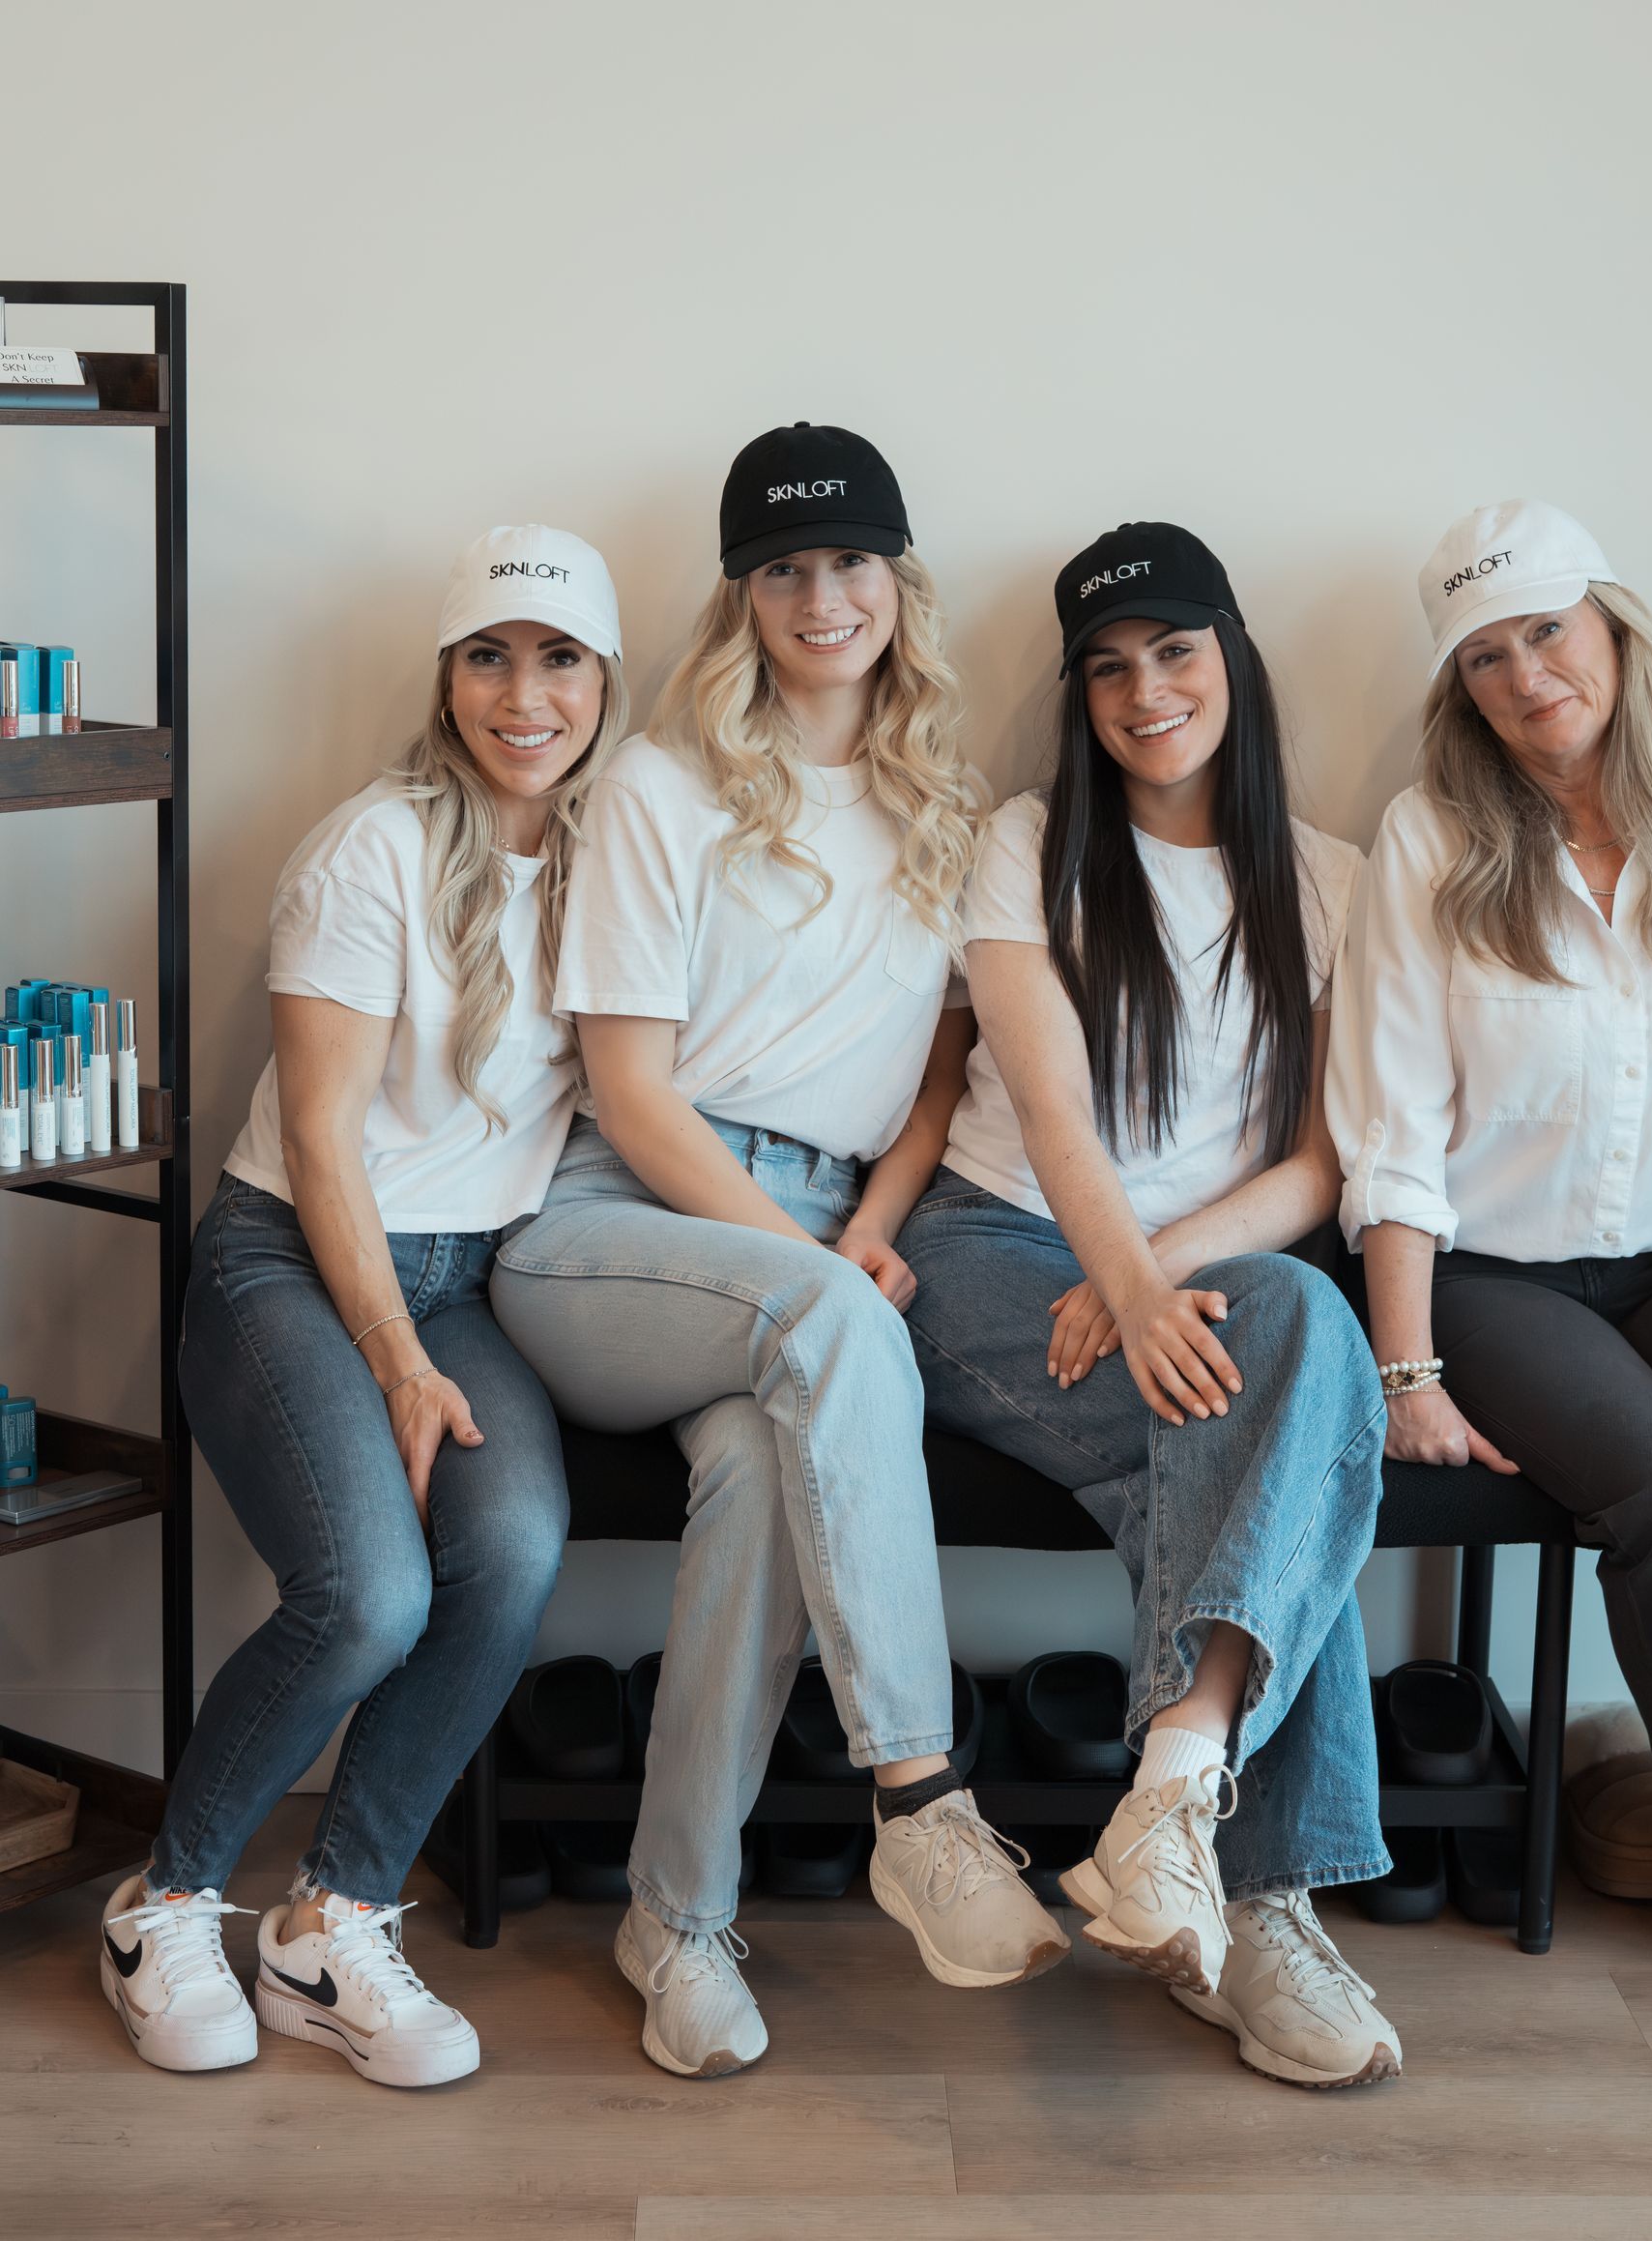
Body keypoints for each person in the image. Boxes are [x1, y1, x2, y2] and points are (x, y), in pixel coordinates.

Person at [490, 424, 1064, 2081]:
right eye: (786, 567)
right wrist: (822, 1270)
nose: (823, 596)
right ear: (743, 595)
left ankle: (673, 1916)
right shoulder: (659, 788)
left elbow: (946, 1063)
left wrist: (870, 1234)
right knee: (819, 1344)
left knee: (757, 1470)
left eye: (852, 563)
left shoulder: (945, 806)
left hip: (826, 1243)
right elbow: (629, 1090)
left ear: (900, 586)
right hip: (614, 1225)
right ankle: (920, 1797)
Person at [100, 526, 626, 2084]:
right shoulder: (371, 849)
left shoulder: (622, 860)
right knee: (371, 1594)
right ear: (447, 676)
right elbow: (321, 1137)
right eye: (488, 657)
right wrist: (393, 1359)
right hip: (289, 1262)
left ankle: (329, 1920)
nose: (522, 696)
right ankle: (168, 1897)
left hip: (468, 1278)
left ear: (605, 679)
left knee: (515, 1547)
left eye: (559, 660)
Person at [1328, 498, 1652, 2019]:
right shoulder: (1434, 840)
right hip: (1498, 1278)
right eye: (1484, 657)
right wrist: (1409, 1363)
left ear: (1616, 628)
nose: (1523, 676)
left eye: (1547, 631)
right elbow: (1397, 1133)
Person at [899, 522, 1402, 2090]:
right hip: (998, 1252)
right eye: (1109, 667)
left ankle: (1174, 1809)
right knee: (1291, 1440)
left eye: (1176, 652)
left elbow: (1324, 1161)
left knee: (1303, 1343)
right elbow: (1045, 1108)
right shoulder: (1024, 840)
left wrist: (1157, 1273)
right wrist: (1113, 1280)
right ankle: (1258, 1903)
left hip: (1194, 1264)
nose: (1146, 689)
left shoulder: (1332, 880)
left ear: (1233, 661)